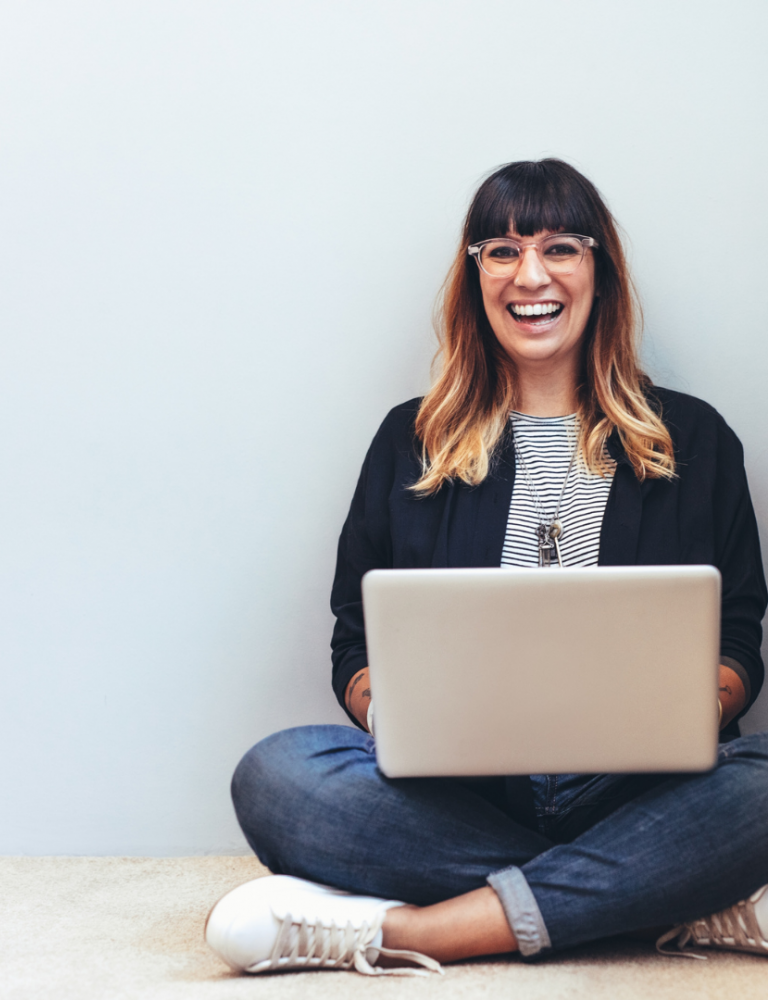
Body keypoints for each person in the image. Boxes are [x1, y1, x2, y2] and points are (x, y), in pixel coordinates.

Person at [204, 159, 768, 977]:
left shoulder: (695, 440)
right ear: (474, 276)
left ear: (599, 270)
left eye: (560, 248)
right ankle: (666, 893)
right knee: (277, 775)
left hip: (640, 790)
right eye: (500, 250)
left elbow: (741, 637)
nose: (530, 275)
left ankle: (415, 932)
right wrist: (384, 709)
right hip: (463, 795)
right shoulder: (412, 440)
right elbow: (354, 643)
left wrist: (697, 701)